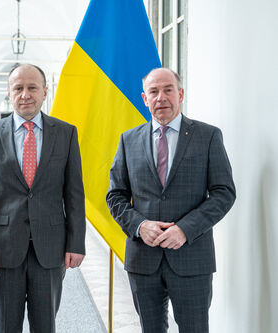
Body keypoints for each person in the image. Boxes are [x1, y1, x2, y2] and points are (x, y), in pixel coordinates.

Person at [106, 68, 236, 333]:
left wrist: (184, 230)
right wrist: (140, 226)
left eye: (168, 90)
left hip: (191, 258)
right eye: (153, 91)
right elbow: (116, 196)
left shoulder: (208, 136)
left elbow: (224, 192)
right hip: (143, 259)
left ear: (181, 94)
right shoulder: (128, 140)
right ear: (144, 98)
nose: (161, 97)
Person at [0, 64, 86, 332]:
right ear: (9, 94)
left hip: (50, 249)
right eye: (18, 88)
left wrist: (76, 242)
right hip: (2, 250)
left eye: (32, 87)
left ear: (45, 92)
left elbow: (74, 194)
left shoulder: (66, 133)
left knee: (45, 326)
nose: (25, 94)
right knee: (6, 326)